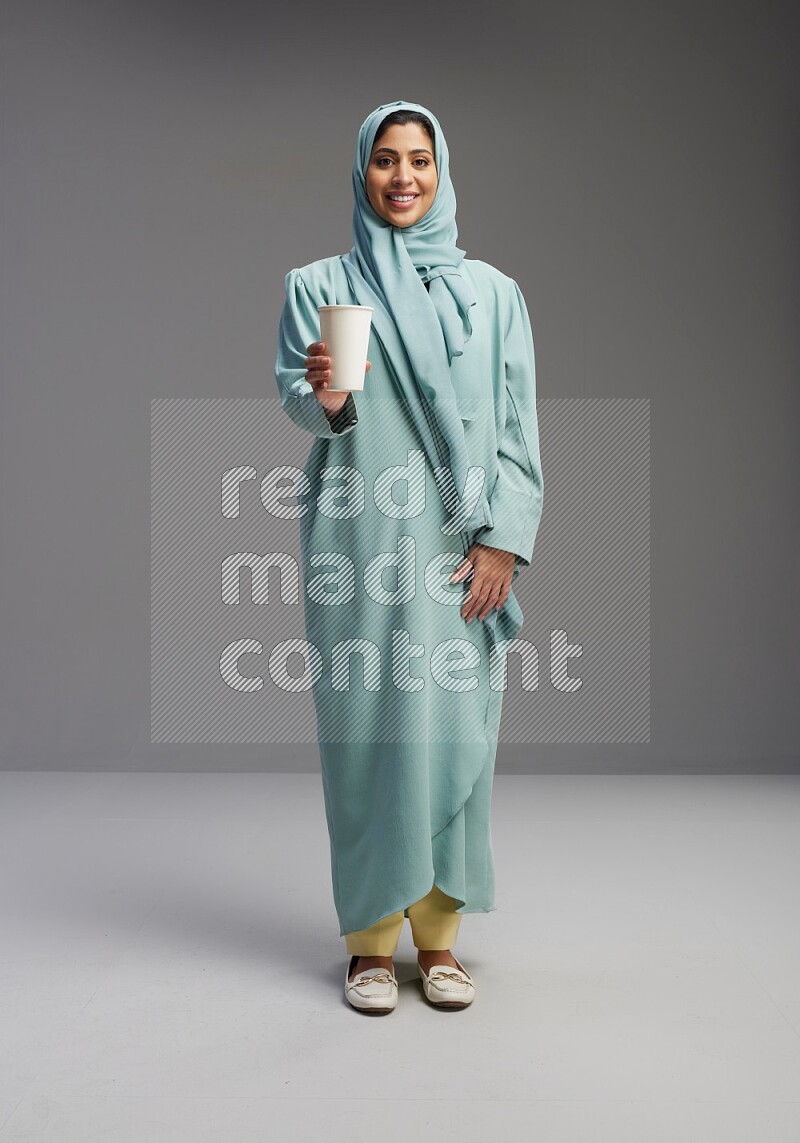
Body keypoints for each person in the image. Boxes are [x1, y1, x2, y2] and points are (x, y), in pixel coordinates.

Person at [274, 100, 544, 1014]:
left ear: (441, 170)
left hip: (459, 554)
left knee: (456, 731)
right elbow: (302, 406)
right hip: (359, 543)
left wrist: (503, 538)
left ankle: (439, 942)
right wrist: (329, 395)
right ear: (362, 173)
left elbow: (516, 430)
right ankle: (368, 945)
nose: (402, 178)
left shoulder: (494, 293)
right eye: (385, 161)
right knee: (366, 739)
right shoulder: (318, 284)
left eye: (419, 160)